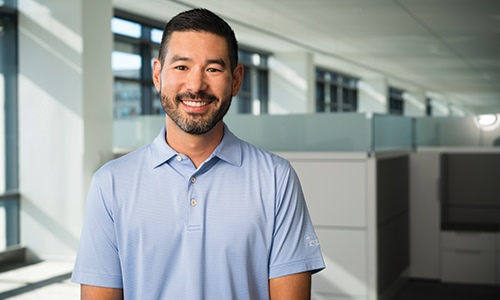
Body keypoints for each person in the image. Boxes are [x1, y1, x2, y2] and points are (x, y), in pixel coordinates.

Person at [71, 8, 325, 299]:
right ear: (157, 74)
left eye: (213, 69)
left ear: (236, 79)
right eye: (181, 67)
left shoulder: (276, 178)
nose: (196, 86)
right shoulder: (111, 183)